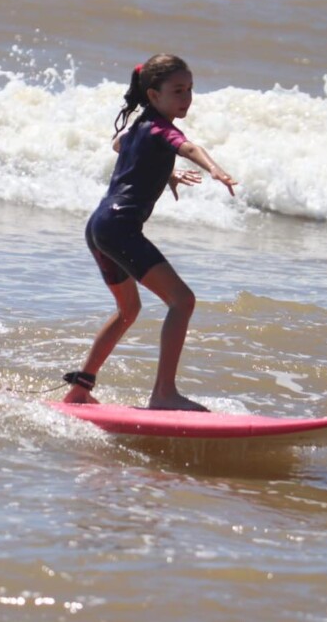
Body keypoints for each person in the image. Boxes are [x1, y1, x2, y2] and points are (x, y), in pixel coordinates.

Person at [63, 54, 238, 411]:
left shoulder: (140, 127)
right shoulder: (161, 127)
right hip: (120, 227)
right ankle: (164, 394)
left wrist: (164, 174)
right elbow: (188, 147)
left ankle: (80, 388)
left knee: (128, 310)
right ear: (154, 95)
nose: (186, 98)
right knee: (182, 301)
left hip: (99, 225)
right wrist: (215, 169)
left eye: (189, 89)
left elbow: (121, 146)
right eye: (177, 90)